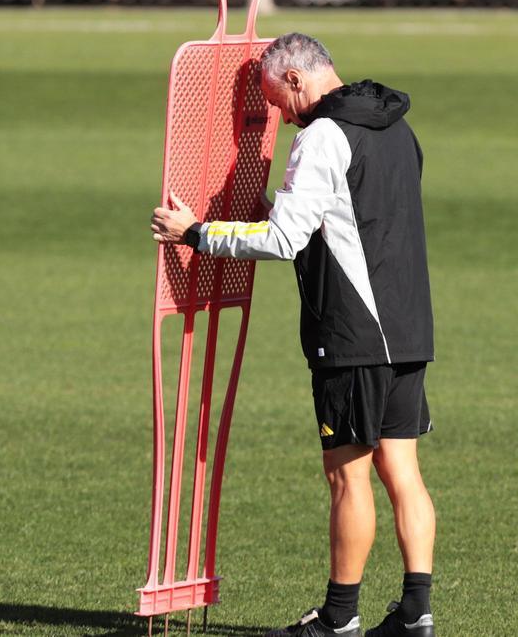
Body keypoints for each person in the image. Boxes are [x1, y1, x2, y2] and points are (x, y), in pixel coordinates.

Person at [149, 33, 437, 637]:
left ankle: (338, 617)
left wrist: (196, 232)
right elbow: (350, 216)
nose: (276, 114)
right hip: (409, 330)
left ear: (298, 79)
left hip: (355, 335)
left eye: (275, 99)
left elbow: (285, 240)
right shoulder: (397, 128)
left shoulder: (322, 136)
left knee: (347, 476)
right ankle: (416, 612)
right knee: (401, 471)